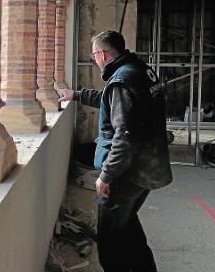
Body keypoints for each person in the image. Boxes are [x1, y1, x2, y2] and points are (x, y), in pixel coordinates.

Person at [57, 30, 172, 272]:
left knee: (110, 242)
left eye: (94, 55)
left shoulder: (122, 80)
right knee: (127, 226)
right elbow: (113, 99)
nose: (94, 59)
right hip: (148, 169)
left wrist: (106, 176)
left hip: (127, 174)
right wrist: (76, 95)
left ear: (104, 54)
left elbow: (125, 136)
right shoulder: (138, 70)